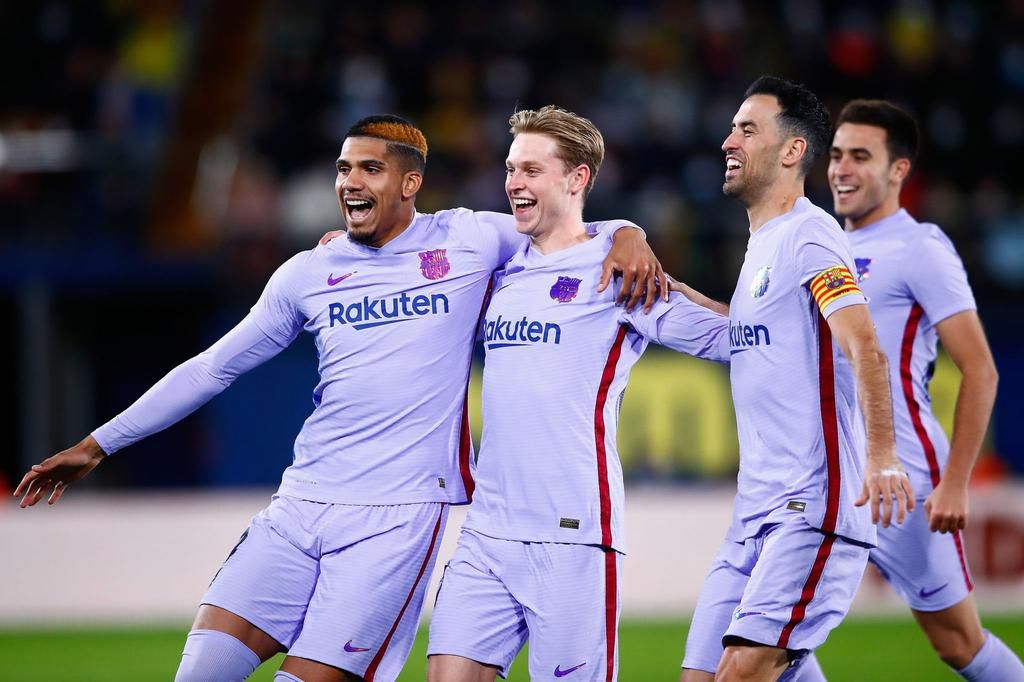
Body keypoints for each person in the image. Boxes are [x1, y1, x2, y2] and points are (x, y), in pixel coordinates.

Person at [13, 114, 661, 682]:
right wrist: (99, 444)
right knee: (201, 670)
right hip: (299, 506)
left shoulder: (469, 239)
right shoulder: (309, 271)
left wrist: (627, 231)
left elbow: (564, 225)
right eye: (344, 168)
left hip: (398, 520)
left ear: (410, 183)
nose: (351, 181)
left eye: (370, 169)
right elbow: (213, 367)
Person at [425, 106, 730, 682]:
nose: (514, 183)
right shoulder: (500, 269)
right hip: (486, 533)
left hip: (572, 535)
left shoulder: (618, 273)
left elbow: (728, 338)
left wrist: (810, 313)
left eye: (531, 170)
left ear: (577, 178)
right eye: (511, 169)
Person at [677, 77, 913, 682]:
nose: (728, 142)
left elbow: (863, 344)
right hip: (753, 513)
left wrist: (882, 456)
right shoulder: (764, 243)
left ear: (792, 150)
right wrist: (671, 293)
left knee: (740, 672)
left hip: (810, 508)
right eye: (731, 128)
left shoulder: (810, 235)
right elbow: (750, 332)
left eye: (746, 129)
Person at [827, 99, 1022, 681]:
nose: (841, 169)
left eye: (860, 156)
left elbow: (981, 369)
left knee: (957, 642)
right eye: (836, 155)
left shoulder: (920, 248)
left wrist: (956, 482)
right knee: (772, 627)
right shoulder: (820, 244)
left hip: (904, 479)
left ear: (898, 170)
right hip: (830, 473)